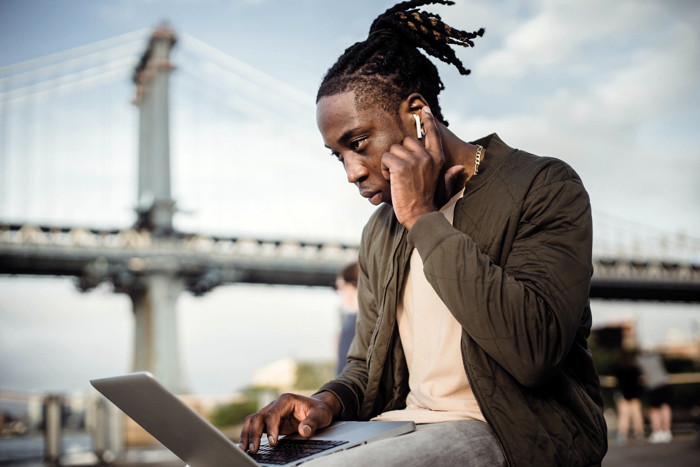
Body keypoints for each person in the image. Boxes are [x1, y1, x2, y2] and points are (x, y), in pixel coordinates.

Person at [240, 1, 608, 465]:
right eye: (338, 156)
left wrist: (422, 217)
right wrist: (326, 402)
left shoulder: (542, 185)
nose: (352, 172)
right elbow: (365, 367)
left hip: (512, 434)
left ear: (417, 113)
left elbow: (534, 351)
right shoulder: (380, 230)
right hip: (404, 427)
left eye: (357, 144)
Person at [637, 351, 673, 443]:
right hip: (664, 383)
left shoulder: (639, 360)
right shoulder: (657, 357)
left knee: (654, 410)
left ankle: (657, 432)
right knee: (665, 407)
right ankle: (667, 431)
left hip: (653, 386)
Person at [612, 350, 645, 445]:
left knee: (624, 417)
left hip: (623, 395)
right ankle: (639, 434)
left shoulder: (618, 368)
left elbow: (617, 382)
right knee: (637, 416)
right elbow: (640, 381)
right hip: (635, 395)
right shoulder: (635, 368)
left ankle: (623, 435)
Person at [334, 262, 359, 375]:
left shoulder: (354, 322)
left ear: (349, 287)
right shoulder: (351, 320)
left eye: (338, 286)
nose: (338, 292)